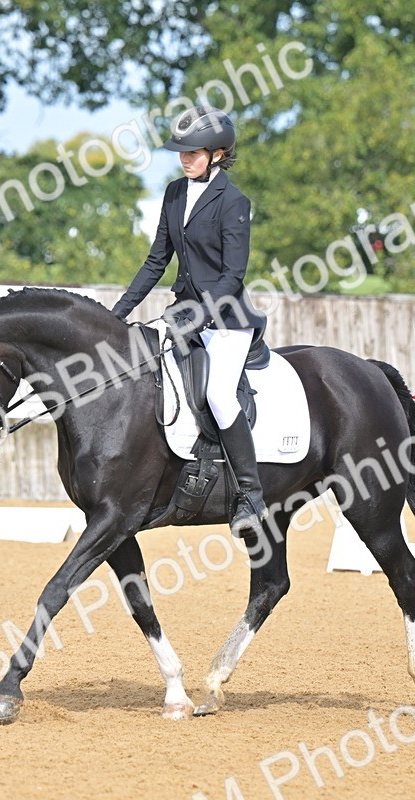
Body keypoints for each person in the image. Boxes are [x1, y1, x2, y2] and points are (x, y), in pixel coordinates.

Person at [111, 106, 268, 536]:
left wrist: (201, 314)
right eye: (181, 152)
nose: (184, 158)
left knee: (218, 394)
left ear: (217, 154)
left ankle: (250, 496)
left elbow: (232, 275)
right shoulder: (174, 193)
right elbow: (156, 261)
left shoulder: (234, 202)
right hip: (183, 315)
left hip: (227, 321)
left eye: (193, 152)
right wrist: (116, 314)